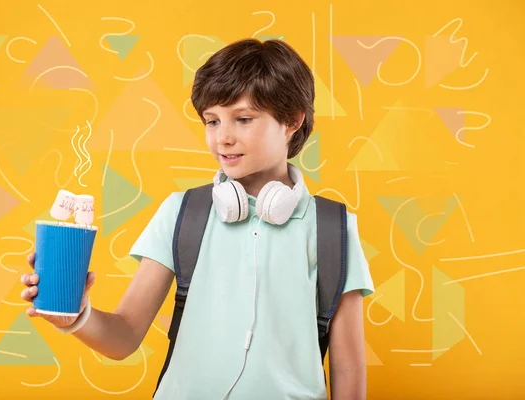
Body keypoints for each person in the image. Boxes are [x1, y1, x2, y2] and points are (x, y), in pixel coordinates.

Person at [21, 38, 375, 399]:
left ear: (292, 120)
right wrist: (77, 317)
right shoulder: (182, 212)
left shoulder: (333, 228)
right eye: (212, 121)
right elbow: (124, 336)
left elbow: (347, 368)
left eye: (243, 119)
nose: (223, 137)